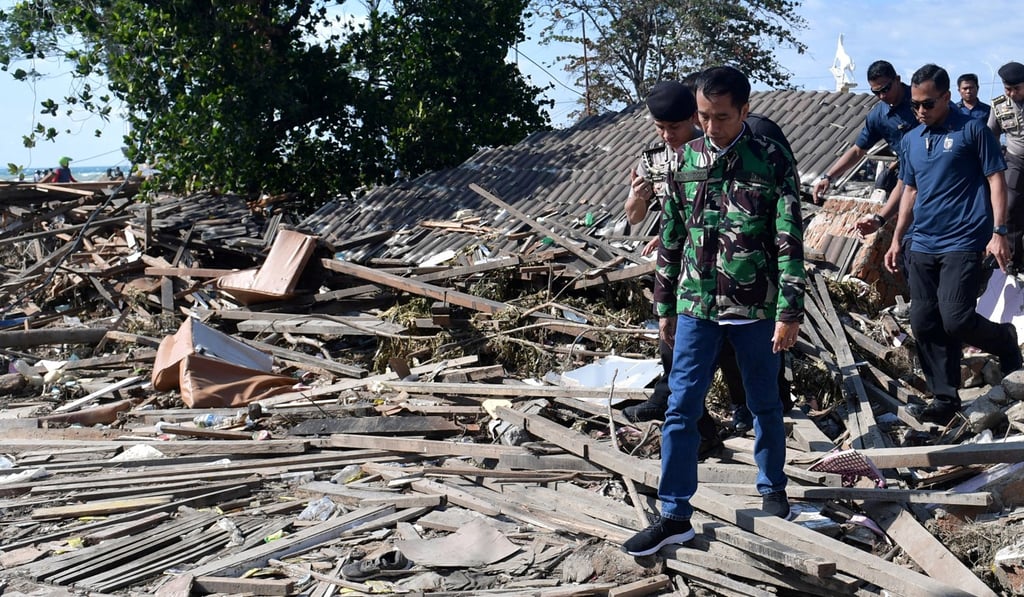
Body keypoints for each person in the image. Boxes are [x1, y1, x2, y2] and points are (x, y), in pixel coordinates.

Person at [622, 66, 805, 557]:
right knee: (681, 409)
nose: (711, 127)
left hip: (756, 307)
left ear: (745, 111)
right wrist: (664, 304)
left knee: (764, 403)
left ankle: (772, 490)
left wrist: (790, 311)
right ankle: (674, 513)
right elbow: (671, 235)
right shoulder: (685, 159)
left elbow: (789, 238)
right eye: (703, 117)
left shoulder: (770, 159)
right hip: (696, 305)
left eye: (721, 117)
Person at [623, 80, 791, 438]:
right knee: (679, 351)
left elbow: (773, 225)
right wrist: (641, 200)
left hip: (741, 276)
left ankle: (745, 406)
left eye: (676, 127)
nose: (668, 135)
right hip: (691, 277)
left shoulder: (743, 153)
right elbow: (639, 216)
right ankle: (685, 412)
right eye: (660, 128)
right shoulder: (657, 160)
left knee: (741, 354)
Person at [885, 64, 1021, 426]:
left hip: (962, 239)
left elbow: (996, 180)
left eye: (928, 104)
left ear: (946, 97)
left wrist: (999, 231)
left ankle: (1005, 339)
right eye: (915, 105)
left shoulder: (973, 130)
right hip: (922, 242)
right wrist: (897, 238)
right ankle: (944, 397)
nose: (920, 111)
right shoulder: (912, 139)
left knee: (956, 317)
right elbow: (910, 191)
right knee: (923, 321)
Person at [989, 61, 1024, 270]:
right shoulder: (1000, 105)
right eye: (1007, 89)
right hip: (1015, 160)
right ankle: (1011, 259)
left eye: (1016, 88)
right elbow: (991, 135)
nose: (1011, 93)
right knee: (1010, 208)